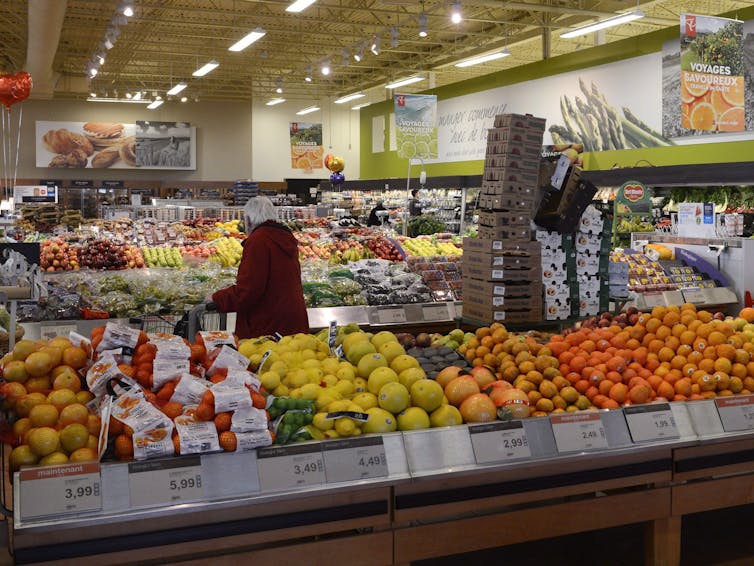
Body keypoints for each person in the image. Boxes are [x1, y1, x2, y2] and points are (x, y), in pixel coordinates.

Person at [207, 196, 309, 339]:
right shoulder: (285, 236)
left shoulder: (258, 241)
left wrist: (217, 298)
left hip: (269, 324)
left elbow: (249, 290)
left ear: (248, 219)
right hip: (292, 320)